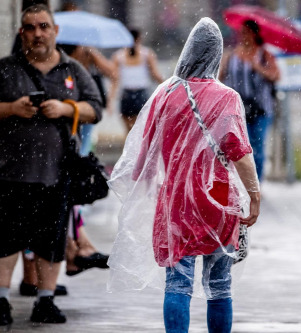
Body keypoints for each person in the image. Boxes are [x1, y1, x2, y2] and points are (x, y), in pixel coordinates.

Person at [108, 18, 261, 333]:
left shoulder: (165, 95)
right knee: (219, 284)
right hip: (219, 200)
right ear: (216, 56)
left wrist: (147, 193)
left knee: (178, 281)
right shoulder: (227, 97)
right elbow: (240, 154)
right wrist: (254, 196)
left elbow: (144, 158)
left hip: (177, 203)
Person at [0, 4, 102, 325]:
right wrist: (12, 108)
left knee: (51, 242)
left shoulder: (73, 70)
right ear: (22, 32)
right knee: (4, 242)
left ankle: (45, 302)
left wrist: (66, 108)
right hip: (9, 173)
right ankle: (0, 303)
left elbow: (95, 108)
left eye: (43, 26)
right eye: (30, 28)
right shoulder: (4, 69)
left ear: (55, 31)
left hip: (55, 175)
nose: (37, 33)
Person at [219, 20, 279, 181]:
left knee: (257, 147)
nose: (243, 35)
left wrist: (257, 67)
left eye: (246, 32)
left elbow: (276, 76)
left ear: (254, 34)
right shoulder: (231, 55)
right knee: (237, 147)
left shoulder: (264, 54)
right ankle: (241, 183)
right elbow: (220, 78)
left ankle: (256, 184)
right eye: (241, 32)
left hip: (260, 108)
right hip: (237, 109)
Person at [59, 44, 117, 156]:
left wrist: (92, 54)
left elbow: (112, 73)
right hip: (68, 104)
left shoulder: (87, 55)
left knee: (85, 138)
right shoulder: (63, 59)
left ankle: (81, 162)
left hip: (85, 105)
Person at [109, 28, 164, 133]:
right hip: (138, 94)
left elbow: (115, 80)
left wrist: (110, 100)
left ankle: (130, 149)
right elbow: (155, 75)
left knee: (130, 131)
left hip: (130, 94)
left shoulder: (119, 56)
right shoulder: (146, 54)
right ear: (139, 39)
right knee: (140, 131)